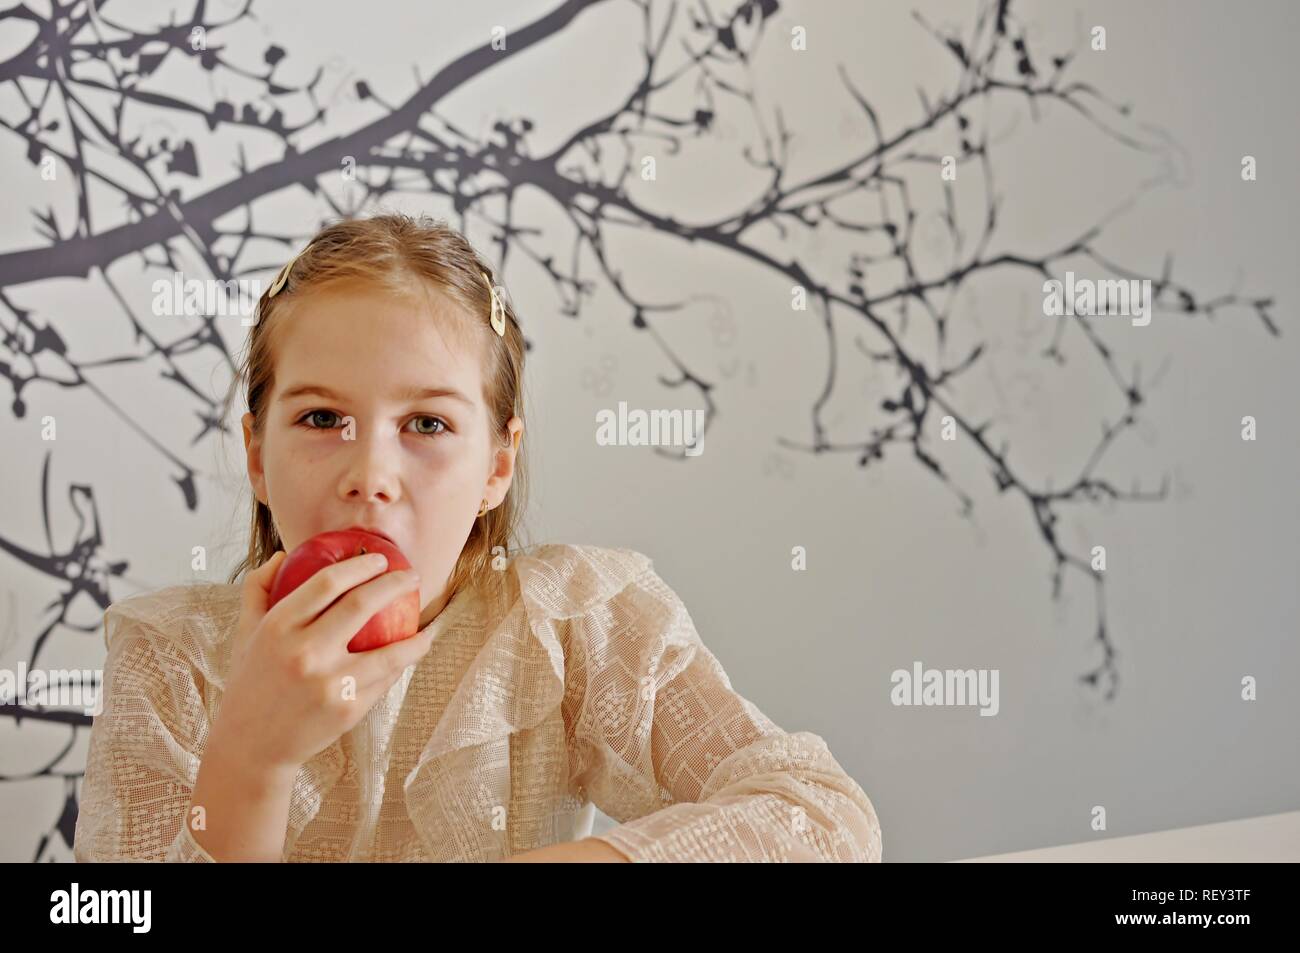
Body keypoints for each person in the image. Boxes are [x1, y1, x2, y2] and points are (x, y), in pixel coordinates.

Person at [73, 213, 883, 863]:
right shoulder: (171, 661)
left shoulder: (576, 626)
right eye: (323, 418)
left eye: (426, 423)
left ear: (498, 464)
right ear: (256, 454)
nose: (371, 474)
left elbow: (821, 817)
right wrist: (252, 759)